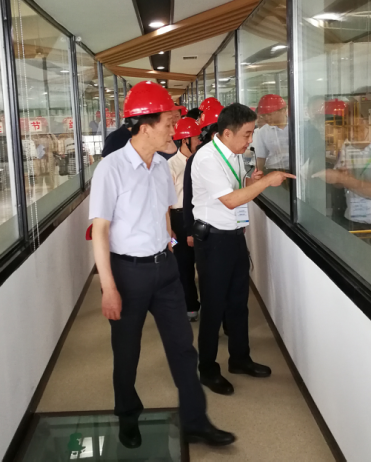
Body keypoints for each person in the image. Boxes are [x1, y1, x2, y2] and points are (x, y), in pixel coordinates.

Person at [89, 80, 235, 449]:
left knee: (183, 349)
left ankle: (196, 421)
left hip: (165, 270)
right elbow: (100, 230)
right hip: (128, 273)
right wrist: (108, 287)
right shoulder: (111, 169)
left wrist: (167, 241)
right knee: (127, 352)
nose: (174, 130)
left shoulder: (160, 166)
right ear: (145, 125)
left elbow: (165, 212)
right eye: (168, 123)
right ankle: (127, 416)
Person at [191, 103, 294, 396]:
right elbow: (231, 201)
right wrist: (267, 182)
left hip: (234, 236)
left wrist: (251, 181)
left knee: (238, 302)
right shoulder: (207, 159)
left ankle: (240, 358)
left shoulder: (234, 154)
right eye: (247, 134)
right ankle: (207, 368)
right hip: (213, 242)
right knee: (213, 306)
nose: (250, 140)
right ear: (227, 133)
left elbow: (236, 188)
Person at [312, 90, 371, 244]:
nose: (351, 134)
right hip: (353, 219)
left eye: (356, 128)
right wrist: (337, 178)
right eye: (347, 128)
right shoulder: (350, 145)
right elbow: (341, 183)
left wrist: (342, 178)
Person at [168, 117, 202, 322]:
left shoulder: (201, 161)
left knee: (204, 263)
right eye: (196, 138)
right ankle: (190, 306)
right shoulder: (171, 165)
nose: (199, 141)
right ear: (185, 140)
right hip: (178, 220)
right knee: (184, 264)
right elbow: (165, 201)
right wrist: (169, 230)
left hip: (200, 216)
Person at [183, 105, 222, 248]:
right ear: (213, 134)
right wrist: (189, 231)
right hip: (205, 229)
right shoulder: (197, 158)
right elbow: (188, 196)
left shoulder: (228, 156)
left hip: (225, 226)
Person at [253, 94, 289, 171]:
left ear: (283, 111)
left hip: (296, 170)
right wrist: (258, 174)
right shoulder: (263, 131)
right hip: (272, 170)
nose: (267, 118)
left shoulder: (297, 128)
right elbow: (261, 157)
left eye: (269, 114)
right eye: (264, 115)